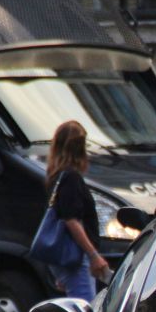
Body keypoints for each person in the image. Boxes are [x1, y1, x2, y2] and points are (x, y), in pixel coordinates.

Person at [45, 120, 110, 301]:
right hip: (77, 257)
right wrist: (93, 255)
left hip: (64, 258)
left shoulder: (55, 177)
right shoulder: (71, 177)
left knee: (76, 305)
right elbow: (71, 220)